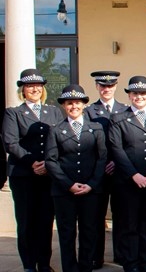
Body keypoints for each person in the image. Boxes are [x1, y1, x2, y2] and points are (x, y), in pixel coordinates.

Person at [4, 69, 65, 272]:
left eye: (38, 86)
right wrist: (33, 163)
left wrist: (48, 164)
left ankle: (44, 263)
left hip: (48, 175)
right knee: (27, 221)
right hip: (24, 175)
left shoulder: (54, 112)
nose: (34, 89)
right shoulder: (13, 113)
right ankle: (29, 264)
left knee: (46, 220)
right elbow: (11, 143)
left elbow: (59, 140)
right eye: (30, 86)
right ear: (23, 90)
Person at [108, 76, 146, 272]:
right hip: (128, 182)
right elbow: (117, 149)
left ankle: (145, 263)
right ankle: (131, 264)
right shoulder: (118, 119)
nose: (139, 97)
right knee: (130, 224)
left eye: (143, 93)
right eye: (135, 93)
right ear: (129, 95)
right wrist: (134, 175)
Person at [45, 84, 107, 272]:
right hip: (64, 192)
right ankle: (70, 268)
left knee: (89, 231)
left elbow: (102, 158)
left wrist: (91, 184)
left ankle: (86, 267)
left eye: (77, 103)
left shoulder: (95, 128)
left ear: (83, 105)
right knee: (67, 233)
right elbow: (51, 161)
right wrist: (69, 185)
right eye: (69, 103)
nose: (74, 107)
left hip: (90, 191)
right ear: (64, 106)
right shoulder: (55, 130)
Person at [86, 70, 129, 269]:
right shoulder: (88, 112)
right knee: (96, 217)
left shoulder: (125, 109)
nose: (106, 89)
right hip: (98, 172)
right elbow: (86, 142)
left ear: (116, 87)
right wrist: (103, 163)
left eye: (110, 86)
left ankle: (121, 255)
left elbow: (129, 142)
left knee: (122, 216)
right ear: (97, 87)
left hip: (120, 171)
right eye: (103, 86)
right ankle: (96, 257)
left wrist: (117, 161)